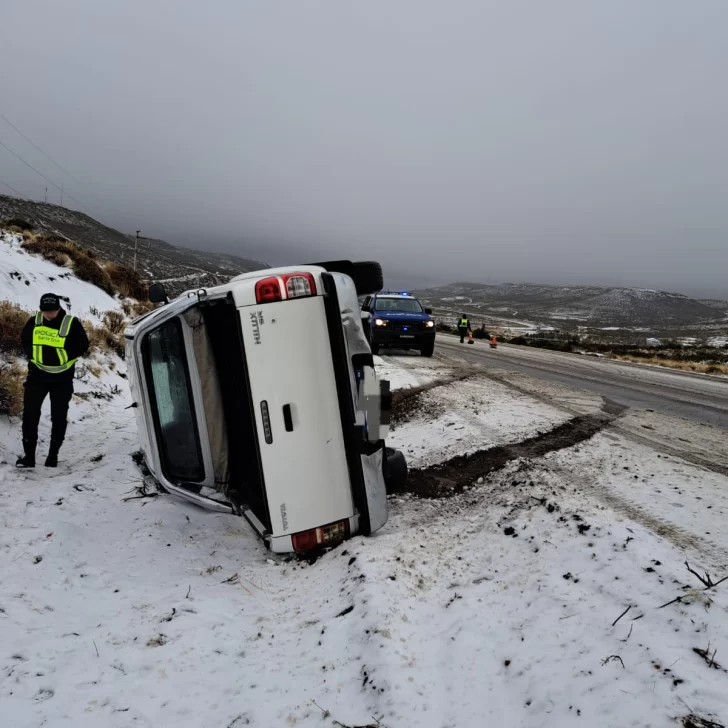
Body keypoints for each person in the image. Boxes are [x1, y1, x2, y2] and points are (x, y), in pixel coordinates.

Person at [16, 293, 90, 468]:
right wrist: (34, 356)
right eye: (45, 311)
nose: (49, 314)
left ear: (59, 308)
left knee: (58, 416)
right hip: (37, 376)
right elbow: (25, 340)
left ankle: (53, 455)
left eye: (52, 310)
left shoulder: (71, 323)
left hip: (62, 378)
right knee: (30, 415)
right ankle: (29, 457)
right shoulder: (33, 321)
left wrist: (63, 357)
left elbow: (82, 345)